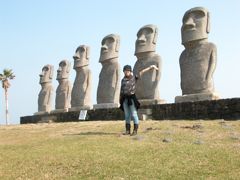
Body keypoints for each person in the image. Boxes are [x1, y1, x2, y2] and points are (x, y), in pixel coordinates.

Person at [120, 64, 158, 136]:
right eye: (125, 71)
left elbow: (142, 72)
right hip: (124, 99)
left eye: (127, 71)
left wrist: (151, 67)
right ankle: (127, 131)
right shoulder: (123, 80)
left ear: (130, 71)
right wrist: (120, 100)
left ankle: (135, 131)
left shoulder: (134, 77)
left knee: (134, 114)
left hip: (131, 99)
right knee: (127, 115)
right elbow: (121, 90)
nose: (126, 72)